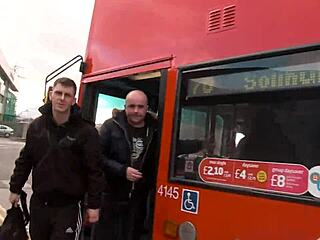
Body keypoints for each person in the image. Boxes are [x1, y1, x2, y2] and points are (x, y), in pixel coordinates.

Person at [9, 77, 105, 240]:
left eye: (67, 95)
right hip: (40, 204)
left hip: (69, 207)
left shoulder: (87, 132)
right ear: (51, 95)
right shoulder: (36, 126)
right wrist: (15, 188)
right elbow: (25, 160)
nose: (62, 98)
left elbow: (94, 170)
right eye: (58, 93)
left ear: (74, 100)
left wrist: (94, 205)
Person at [95, 90, 158, 240]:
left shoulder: (156, 129)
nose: (136, 111)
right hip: (111, 196)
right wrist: (122, 171)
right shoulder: (110, 126)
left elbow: (171, 144)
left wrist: (201, 144)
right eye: (131, 106)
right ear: (125, 107)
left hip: (139, 198)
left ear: (147, 107)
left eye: (140, 107)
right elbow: (97, 157)